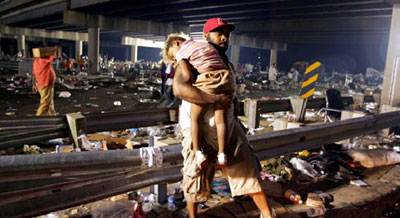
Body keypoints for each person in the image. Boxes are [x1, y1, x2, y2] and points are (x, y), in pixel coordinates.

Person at [173, 18, 274, 218]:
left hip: (225, 126)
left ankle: (268, 215)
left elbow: (231, 96)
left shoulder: (225, 64)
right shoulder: (194, 57)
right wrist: (214, 99)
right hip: (197, 128)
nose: (224, 38)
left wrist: (233, 108)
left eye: (227, 34)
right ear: (205, 36)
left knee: (247, 170)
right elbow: (179, 88)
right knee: (194, 177)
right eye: (219, 33)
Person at [165, 32, 235, 169]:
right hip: (224, 80)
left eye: (172, 56)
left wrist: (193, 77)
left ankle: (198, 153)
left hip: (208, 81)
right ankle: (222, 154)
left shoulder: (182, 53)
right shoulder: (204, 47)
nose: (174, 59)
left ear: (175, 44)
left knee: (195, 118)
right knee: (222, 121)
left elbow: (186, 77)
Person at [32, 46, 58, 116]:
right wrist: (54, 50)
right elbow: (53, 57)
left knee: (50, 101)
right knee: (45, 103)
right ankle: (38, 117)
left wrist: (34, 84)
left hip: (41, 84)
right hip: (46, 84)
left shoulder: (36, 61)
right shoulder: (43, 59)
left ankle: (52, 115)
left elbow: (34, 73)